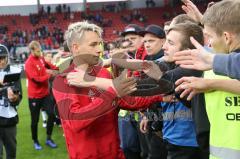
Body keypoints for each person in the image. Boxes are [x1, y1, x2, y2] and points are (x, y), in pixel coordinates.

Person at [52, 21, 165, 159]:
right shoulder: (63, 81)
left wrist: (159, 96)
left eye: (100, 44)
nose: (99, 49)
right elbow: (76, 123)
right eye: (93, 44)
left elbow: (126, 101)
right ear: (75, 48)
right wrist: (112, 92)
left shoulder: (103, 73)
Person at [173, 1, 240, 159]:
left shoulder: (216, 64)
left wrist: (211, 81)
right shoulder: (221, 60)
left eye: (209, 36)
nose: (208, 43)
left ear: (226, 36)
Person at [25, 41, 58, 150]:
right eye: (38, 51)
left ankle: (48, 138)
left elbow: (49, 65)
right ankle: (35, 141)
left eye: (40, 50)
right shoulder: (29, 63)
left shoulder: (40, 58)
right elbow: (36, 79)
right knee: (35, 121)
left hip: (45, 94)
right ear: (32, 51)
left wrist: (56, 68)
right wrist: (49, 74)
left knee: (52, 115)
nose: (40, 53)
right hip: (34, 96)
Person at [0, 44, 22, 159]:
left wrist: (14, 99)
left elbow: (19, 97)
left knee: (11, 152)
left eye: (3, 58)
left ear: (7, 57)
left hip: (9, 119)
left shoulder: (14, 71)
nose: (1, 61)